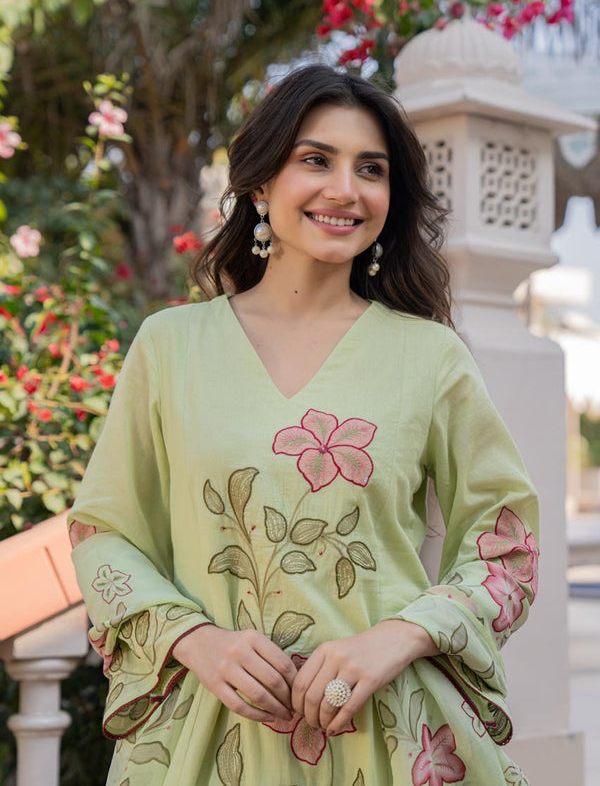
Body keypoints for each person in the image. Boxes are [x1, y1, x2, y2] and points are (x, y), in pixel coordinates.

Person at [67, 64, 539, 786]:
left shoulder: (429, 358)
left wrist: (400, 635)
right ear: (260, 185)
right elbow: (105, 532)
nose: (345, 189)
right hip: (208, 736)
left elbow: (506, 545)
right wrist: (194, 639)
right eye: (316, 160)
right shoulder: (170, 348)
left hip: (391, 737)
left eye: (371, 169)